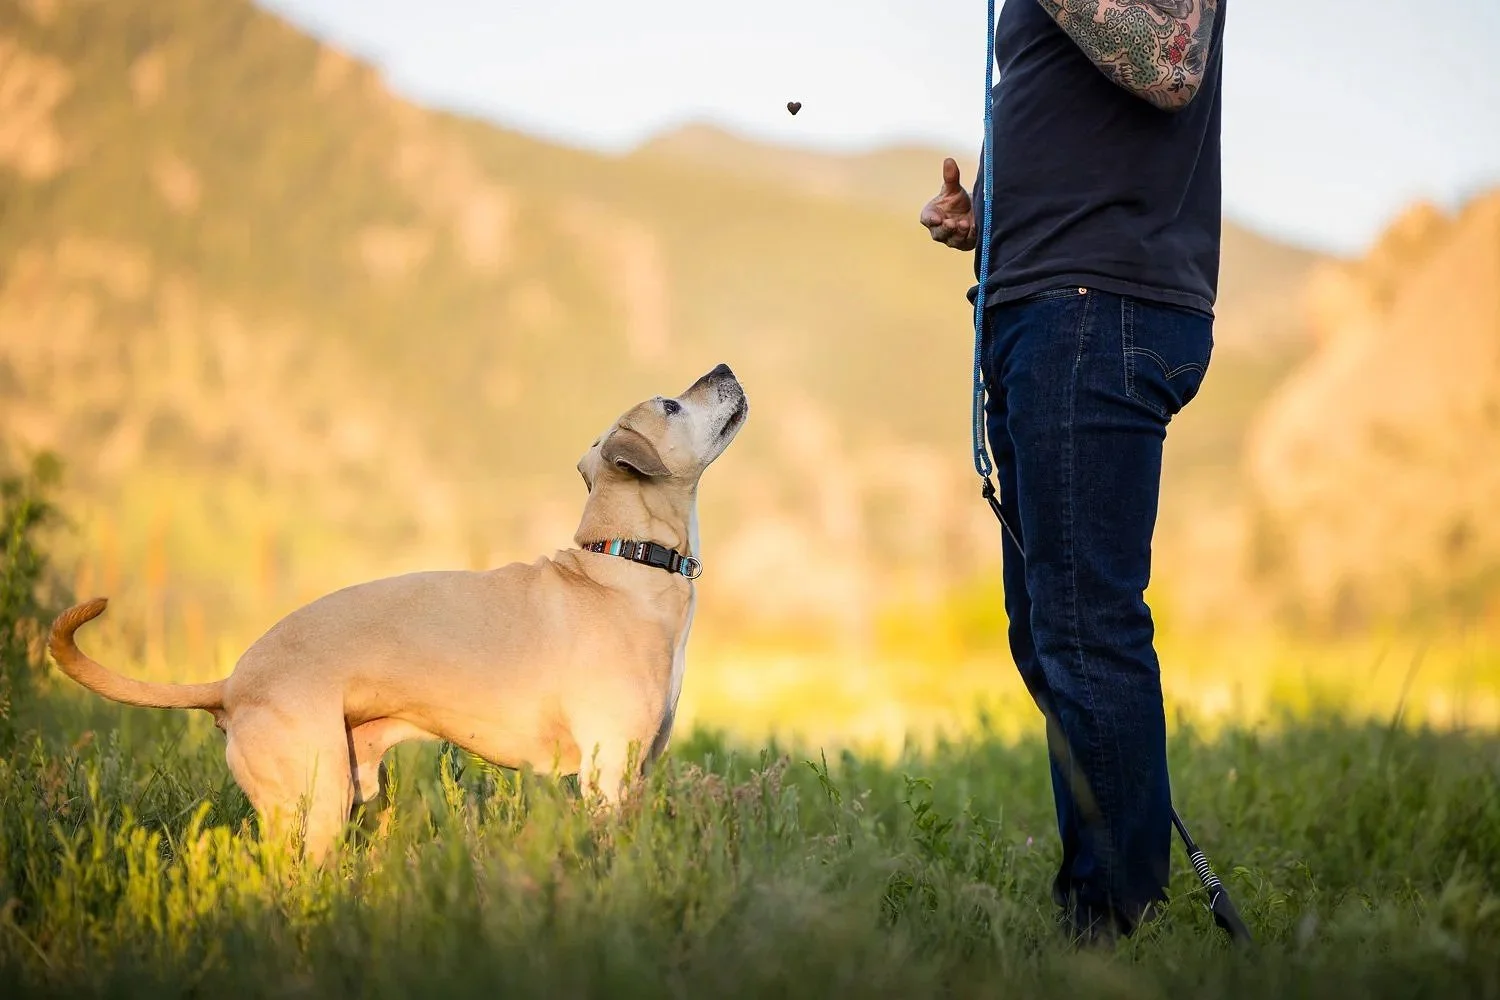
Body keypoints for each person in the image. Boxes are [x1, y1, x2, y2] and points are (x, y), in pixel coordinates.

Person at [920, 0, 1226, 944]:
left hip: (1100, 304)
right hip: (1039, 300)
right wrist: (992, 215)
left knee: (1086, 630)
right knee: (1048, 633)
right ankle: (1113, 897)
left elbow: (1173, 61)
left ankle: (1113, 924)